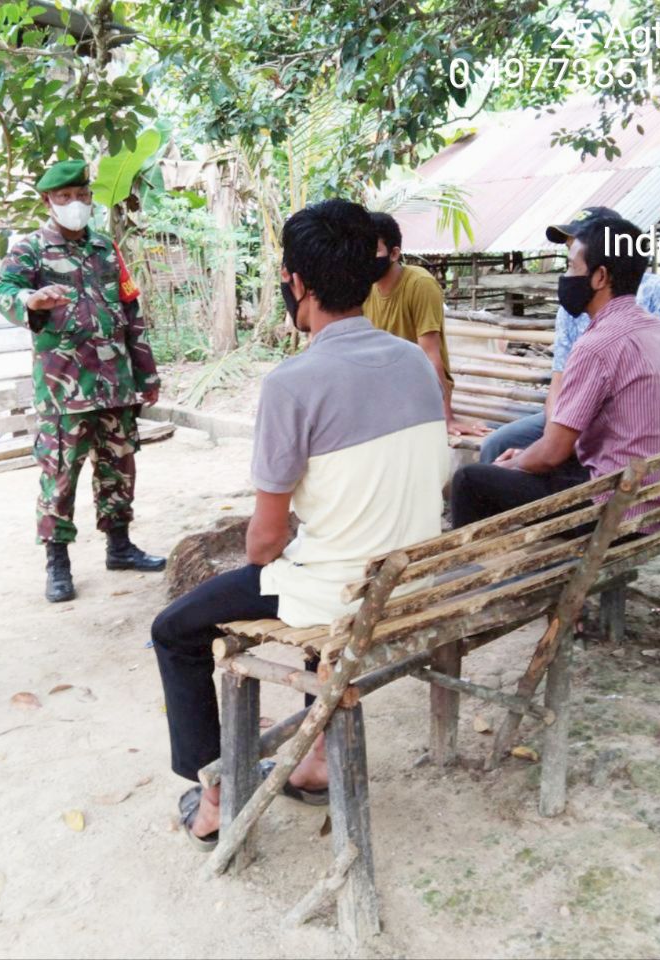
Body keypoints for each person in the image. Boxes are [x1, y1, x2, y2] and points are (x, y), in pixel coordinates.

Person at [150, 199, 447, 850]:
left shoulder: (294, 382)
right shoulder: (415, 366)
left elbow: (263, 541)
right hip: (407, 578)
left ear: (296, 284)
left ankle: (215, 795)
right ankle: (310, 763)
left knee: (174, 628)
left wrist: (273, 553)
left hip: (344, 590)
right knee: (326, 550)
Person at [450, 216, 660, 529]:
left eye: (570, 267)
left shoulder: (597, 344)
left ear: (600, 277)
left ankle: (478, 574)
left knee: (470, 481)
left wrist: (516, 464)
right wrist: (529, 456)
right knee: (526, 462)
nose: (565, 277)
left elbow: (553, 452)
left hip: (623, 509)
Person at [0, 159, 165, 603]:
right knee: (60, 475)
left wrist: (146, 372)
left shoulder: (107, 248)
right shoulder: (29, 249)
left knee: (119, 466)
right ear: (48, 201)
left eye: (80, 195)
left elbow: (131, 312)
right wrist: (27, 300)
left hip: (115, 383)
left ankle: (120, 546)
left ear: (90, 197)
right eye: (63, 197)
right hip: (64, 388)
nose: (74, 204)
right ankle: (58, 563)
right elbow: (4, 293)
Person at [478, 206, 660, 464]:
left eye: (576, 255)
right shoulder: (572, 307)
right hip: (572, 414)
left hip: (631, 419)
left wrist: (559, 446)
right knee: (497, 444)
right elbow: (559, 379)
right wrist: (554, 435)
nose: (568, 269)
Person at [365, 212, 489, 438]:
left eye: (373, 250)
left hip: (418, 389)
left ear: (394, 253)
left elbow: (431, 356)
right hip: (383, 388)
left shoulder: (420, 284)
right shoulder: (364, 289)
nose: (364, 257)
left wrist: (445, 417)